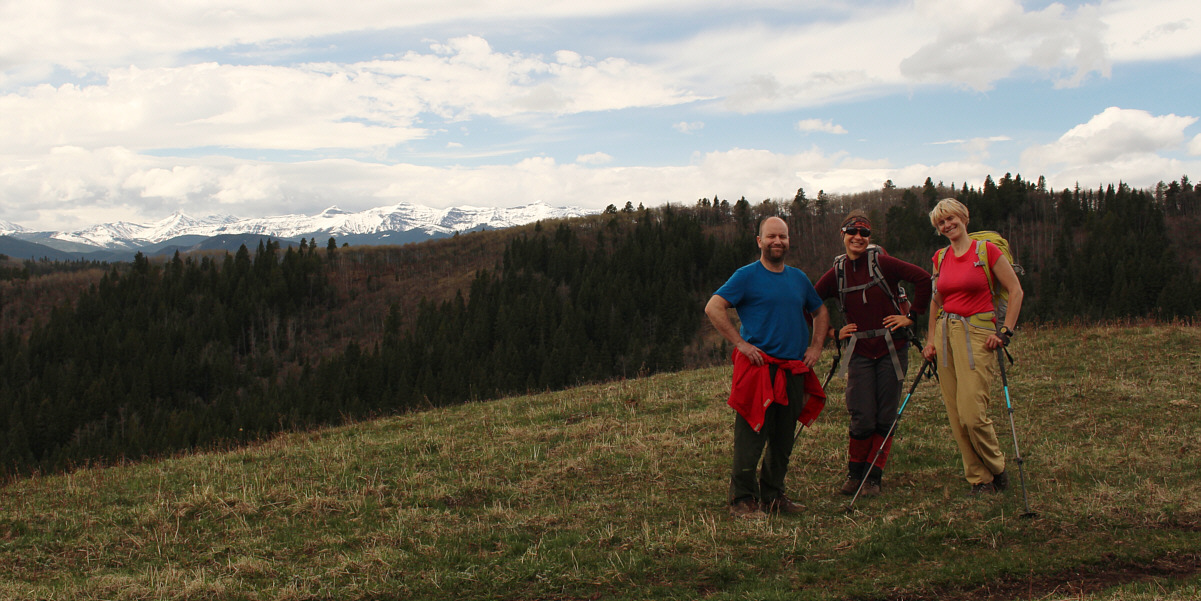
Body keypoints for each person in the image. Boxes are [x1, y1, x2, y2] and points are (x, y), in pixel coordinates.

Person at [705, 216, 829, 519]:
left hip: (793, 370)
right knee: (751, 434)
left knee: (783, 438)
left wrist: (815, 347)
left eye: (783, 237)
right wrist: (740, 344)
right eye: (771, 236)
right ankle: (742, 500)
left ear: (788, 241)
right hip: (759, 370)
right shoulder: (746, 276)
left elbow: (820, 310)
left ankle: (773, 495)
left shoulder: (798, 278)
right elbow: (713, 306)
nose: (778, 242)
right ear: (759, 241)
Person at [815, 211, 932, 497]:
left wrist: (912, 317)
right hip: (860, 352)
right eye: (852, 232)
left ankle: (873, 477)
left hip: (893, 348)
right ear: (842, 234)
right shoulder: (837, 273)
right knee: (862, 414)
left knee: (886, 415)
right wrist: (832, 333)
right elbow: (810, 303)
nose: (858, 237)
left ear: (870, 238)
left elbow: (924, 279)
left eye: (864, 233)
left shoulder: (881, 262)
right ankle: (855, 474)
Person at [920, 198, 1024, 495]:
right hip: (945, 334)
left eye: (951, 218)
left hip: (977, 332)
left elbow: (1015, 291)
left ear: (964, 218)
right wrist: (930, 340)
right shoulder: (940, 257)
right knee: (955, 415)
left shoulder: (986, 251)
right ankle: (979, 480)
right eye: (941, 222)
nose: (947, 225)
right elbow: (936, 300)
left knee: (972, 414)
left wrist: (1005, 333)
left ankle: (997, 466)